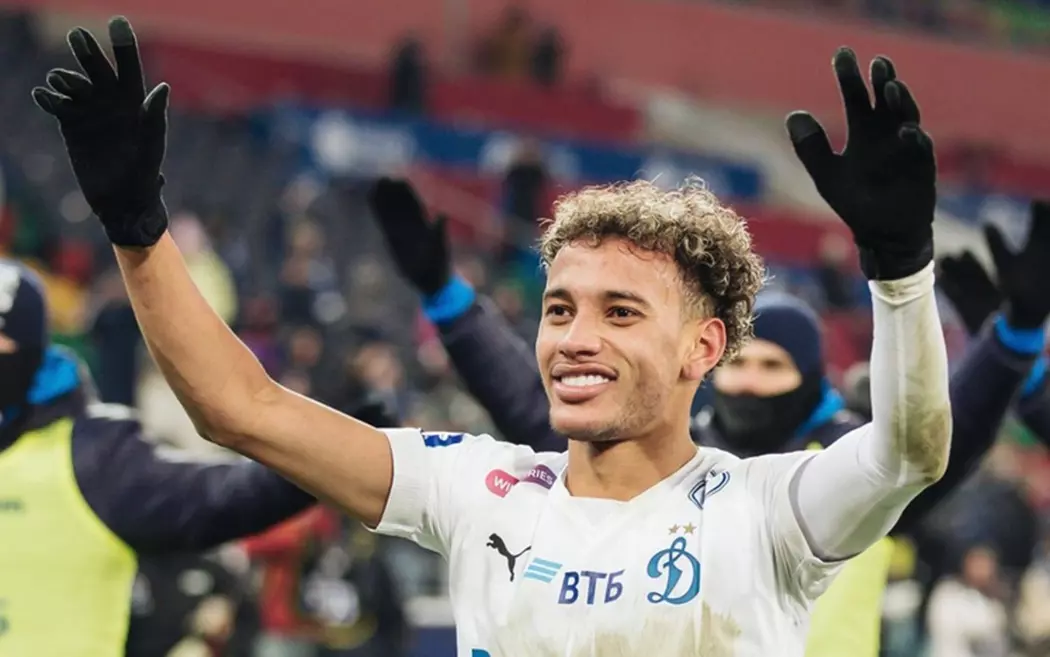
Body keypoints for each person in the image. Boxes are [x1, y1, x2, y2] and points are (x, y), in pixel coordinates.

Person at [35, 19, 952, 655]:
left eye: (621, 312)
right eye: (559, 309)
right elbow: (240, 409)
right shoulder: (481, 487)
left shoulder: (770, 508)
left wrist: (901, 269)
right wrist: (138, 229)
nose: (576, 338)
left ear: (702, 348)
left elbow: (909, 450)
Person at [366, 105, 1050, 657]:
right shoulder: (656, 451)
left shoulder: (849, 470)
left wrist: (1010, 338)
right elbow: (523, 398)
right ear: (708, 358)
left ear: (812, 379)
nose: (748, 381)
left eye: (772, 366)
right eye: (741, 364)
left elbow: (942, 433)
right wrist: (447, 297)